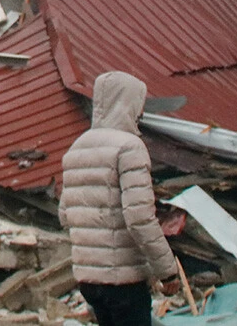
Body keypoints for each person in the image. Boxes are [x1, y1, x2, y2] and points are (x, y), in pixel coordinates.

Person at [60, 71, 181, 326]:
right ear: (130, 103)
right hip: (124, 280)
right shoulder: (129, 147)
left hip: (88, 280)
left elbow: (65, 214)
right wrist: (168, 272)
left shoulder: (77, 148)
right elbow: (139, 218)